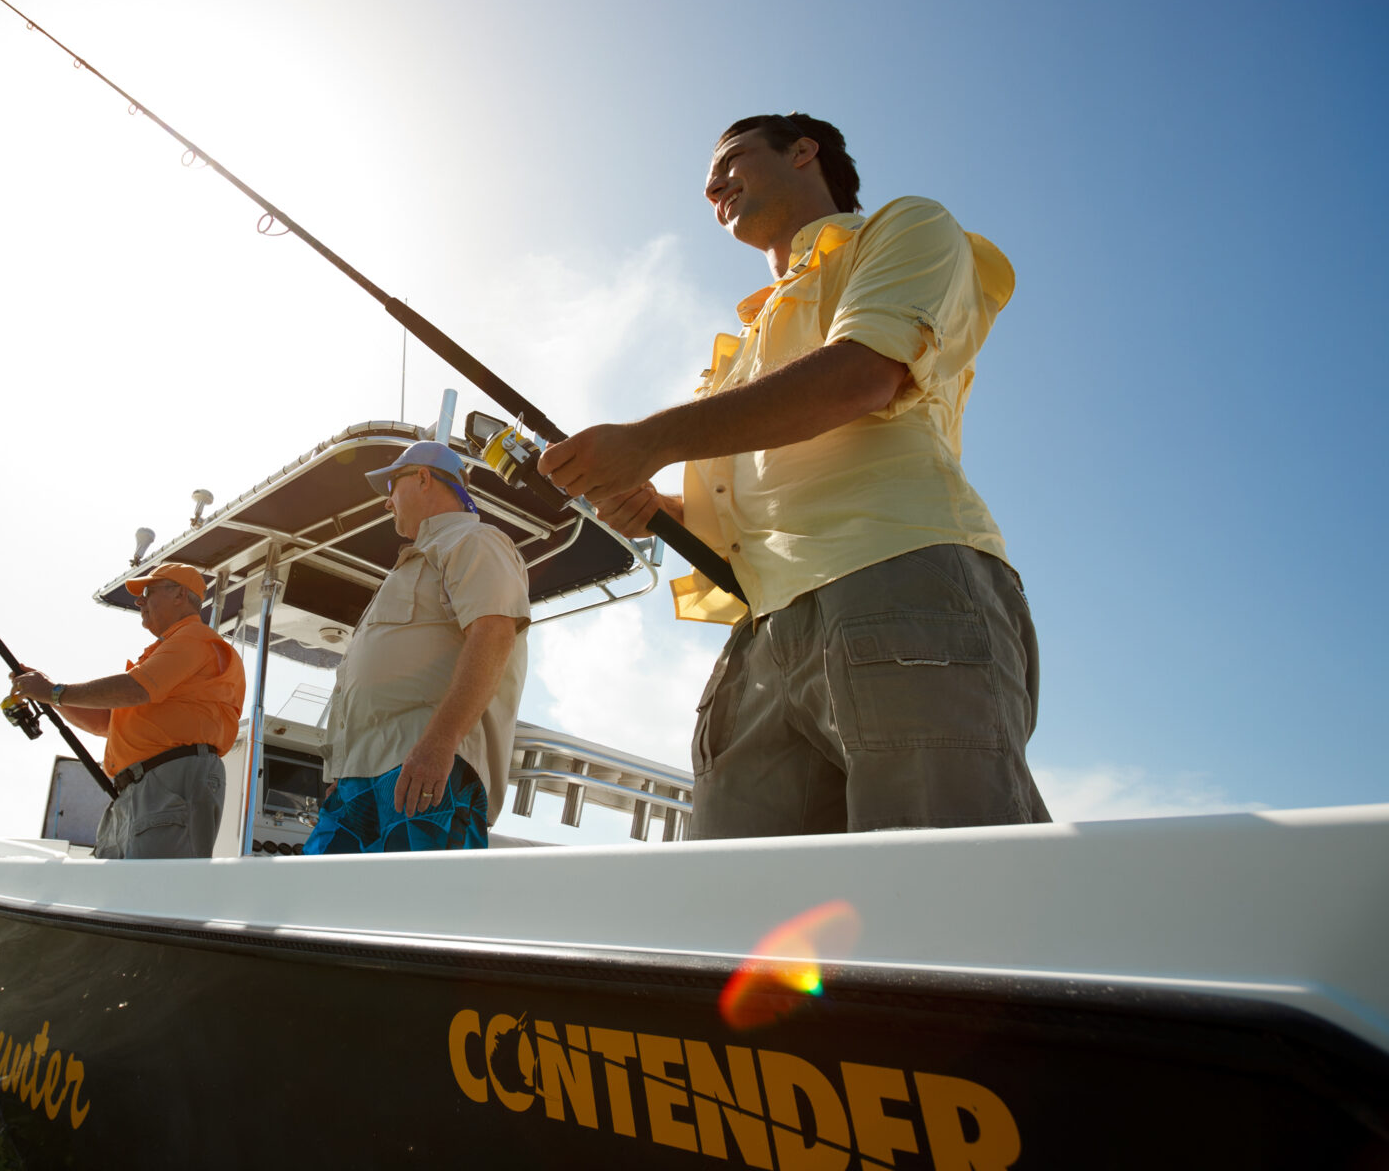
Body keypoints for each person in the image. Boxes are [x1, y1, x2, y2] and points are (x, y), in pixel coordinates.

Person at [538, 112, 1049, 838]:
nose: (713, 184)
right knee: (745, 913)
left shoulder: (906, 228)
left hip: (896, 578)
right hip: (761, 628)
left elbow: (861, 376)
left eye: (733, 159)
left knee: (944, 897)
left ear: (804, 152)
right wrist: (657, 508)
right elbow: (748, 493)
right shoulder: (743, 340)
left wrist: (647, 441)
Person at [304, 441, 530, 854]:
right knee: (317, 904)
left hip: (426, 770)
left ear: (423, 477)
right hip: (360, 779)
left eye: (392, 486)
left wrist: (439, 743)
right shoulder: (413, 562)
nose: (388, 503)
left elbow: (494, 634)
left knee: (416, 910)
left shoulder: (475, 541)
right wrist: (347, 766)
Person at [11, 563, 245, 859]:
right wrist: (49, 696)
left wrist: (55, 692)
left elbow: (137, 688)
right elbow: (104, 722)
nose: (139, 600)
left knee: (151, 891)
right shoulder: (167, 652)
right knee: (125, 890)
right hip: (140, 788)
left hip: (170, 782)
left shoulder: (195, 639)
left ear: (180, 595)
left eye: (148, 592)